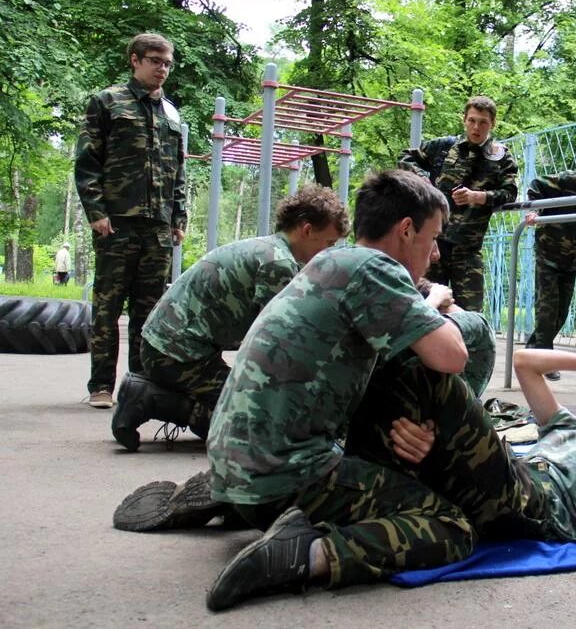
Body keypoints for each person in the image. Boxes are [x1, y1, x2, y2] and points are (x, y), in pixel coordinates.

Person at [115, 170, 474, 612]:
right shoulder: (377, 269)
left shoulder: (329, 263)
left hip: (236, 459)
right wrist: (433, 301)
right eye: (433, 238)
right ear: (405, 230)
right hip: (285, 478)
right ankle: (305, 554)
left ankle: (226, 496)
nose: (435, 254)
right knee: (448, 525)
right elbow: (451, 356)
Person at [345, 341, 576, 543]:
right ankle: (362, 485)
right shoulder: (570, 428)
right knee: (401, 369)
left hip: (537, 507)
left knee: (437, 378)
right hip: (507, 485)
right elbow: (525, 362)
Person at [110, 186, 350, 451]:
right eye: (328, 243)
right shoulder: (277, 264)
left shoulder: (266, 248)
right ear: (307, 230)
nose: (328, 252)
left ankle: (158, 392)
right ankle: (148, 398)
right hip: (175, 355)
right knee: (254, 427)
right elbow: (278, 344)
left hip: (171, 347)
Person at [75, 33, 186, 409]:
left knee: (149, 310)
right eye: (155, 60)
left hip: (156, 226)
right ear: (135, 60)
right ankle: (101, 387)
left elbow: (178, 170)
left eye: (167, 63)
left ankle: (140, 388)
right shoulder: (107, 102)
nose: (162, 69)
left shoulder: (171, 112)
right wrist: (97, 213)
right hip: (117, 222)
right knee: (107, 306)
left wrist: (178, 216)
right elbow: (87, 162)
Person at [397, 95, 519, 311]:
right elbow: (405, 157)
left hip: (468, 248)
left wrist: (478, 197)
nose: (476, 127)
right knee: (425, 306)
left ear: (492, 124)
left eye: (483, 122)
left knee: (470, 314)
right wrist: (421, 179)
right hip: (433, 245)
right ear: (464, 120)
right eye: (472, 120)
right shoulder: (445, 147)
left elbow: (509, 193)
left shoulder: (501, 158)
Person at [524, 146, 576, 381]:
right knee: (547, 310)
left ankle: (533, 350)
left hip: (572, 259)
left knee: (561, 312)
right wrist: (535, 210)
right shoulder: (568, 180)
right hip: (549, 253)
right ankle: (544, 360)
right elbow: (537, 184)